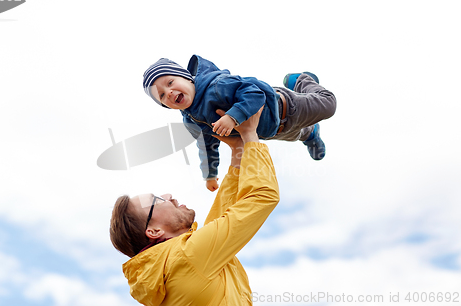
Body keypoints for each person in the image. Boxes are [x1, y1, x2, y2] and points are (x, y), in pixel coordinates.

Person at [110, 107, 280, 305]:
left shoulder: (172, 266)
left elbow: (222, 216)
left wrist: (238, 149)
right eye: (156, 200)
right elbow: (262, 196)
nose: (168, 196)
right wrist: (250, 135)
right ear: (154, 231)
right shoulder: (187, 257)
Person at [142, 55, 337, 191]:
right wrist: (210, 174)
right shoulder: (191, 121)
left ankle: (301, 81)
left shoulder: (217, 86)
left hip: (287, 107)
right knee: (298, 134)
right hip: (273, 131)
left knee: (329, 105)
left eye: (169, 83)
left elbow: (255, 92)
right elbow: (207, 144)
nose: (168, 92)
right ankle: (311, 135)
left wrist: (232, 117)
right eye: (161, 95)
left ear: (187, 78)